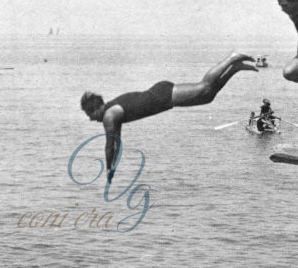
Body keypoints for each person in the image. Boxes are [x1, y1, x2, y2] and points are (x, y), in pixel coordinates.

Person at [81, 52, 258, 180]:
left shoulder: (109, 116)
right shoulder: (112, 113)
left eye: (89, 113)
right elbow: (116, 143)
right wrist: (113, 167)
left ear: (97, 108)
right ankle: (235, 68)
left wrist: (108, 168)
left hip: (162, 96)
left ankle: (232, 58)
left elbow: (109, 146)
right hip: (162, 96)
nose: (90, 118)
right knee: (208, 96)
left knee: (204, 87)